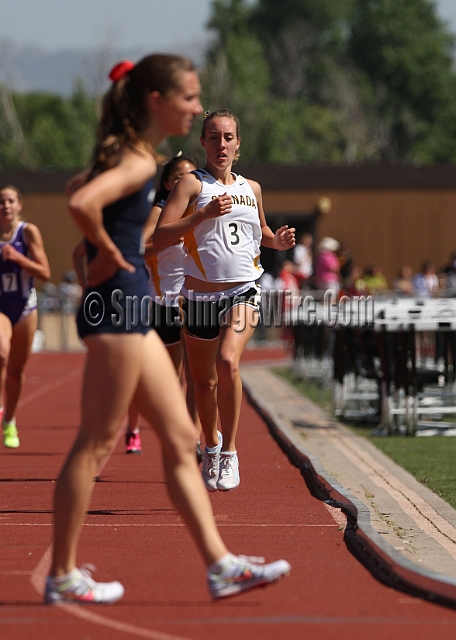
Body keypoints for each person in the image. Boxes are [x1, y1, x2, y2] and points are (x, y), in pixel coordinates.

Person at [45, 57, 290, 605]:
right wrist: (110, 252)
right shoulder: (138, 160)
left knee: (182, 438)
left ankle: (220, 564)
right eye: (189, 98)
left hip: (131, 308)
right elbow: (81, 201)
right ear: (156, 101)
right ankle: (62, 574)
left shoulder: (136, 156)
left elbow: (78, 184)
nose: (197, 108)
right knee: (96, 443)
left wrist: (111, 243)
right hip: (119, 310)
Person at [154, 108, 296, 493]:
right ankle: (211, 443)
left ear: (238, 143)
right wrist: (200, 217)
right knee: (203, 384)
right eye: (214, 137)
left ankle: (231, 451)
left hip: (244, 290)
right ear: (203, 142)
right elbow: (160, 237)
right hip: (199, 294)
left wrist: (276, 241)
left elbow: (261, 231)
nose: (221, 145)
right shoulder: (189, 185)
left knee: (228, 360)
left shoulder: (252, 189)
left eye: (228, 137)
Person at [128, 152, 202, 457]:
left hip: (197, 301)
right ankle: (145, 428)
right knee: (170, 381)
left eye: (189, 177)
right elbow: (138, 251)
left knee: (198, 376)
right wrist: (166, 240)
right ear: (167, 182)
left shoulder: (201, 209)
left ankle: (192, 439)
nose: (183, 183)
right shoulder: (159, 212)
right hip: (163, 303)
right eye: (177, 178)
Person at [0, 185, 51, 448]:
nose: (5, 206)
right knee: (1, 353)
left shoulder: (28, 232)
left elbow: (44, 272)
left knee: (17, 369)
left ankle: (9, 421)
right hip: (1, 308)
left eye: (10, 201)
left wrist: (19, 258)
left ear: (19, 205)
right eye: (1, 201)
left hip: (25, 307)